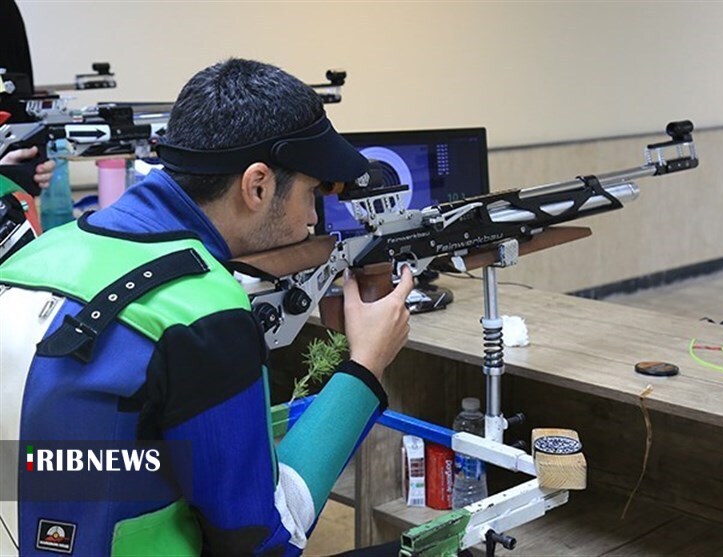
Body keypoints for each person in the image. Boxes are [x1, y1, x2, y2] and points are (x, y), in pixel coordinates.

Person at [0, 59, 413, 556]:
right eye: (312, 193)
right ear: (257, 185)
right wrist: (366, 364)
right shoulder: (203, 314)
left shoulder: (40, 253)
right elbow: (266, 541)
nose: (312, 219)